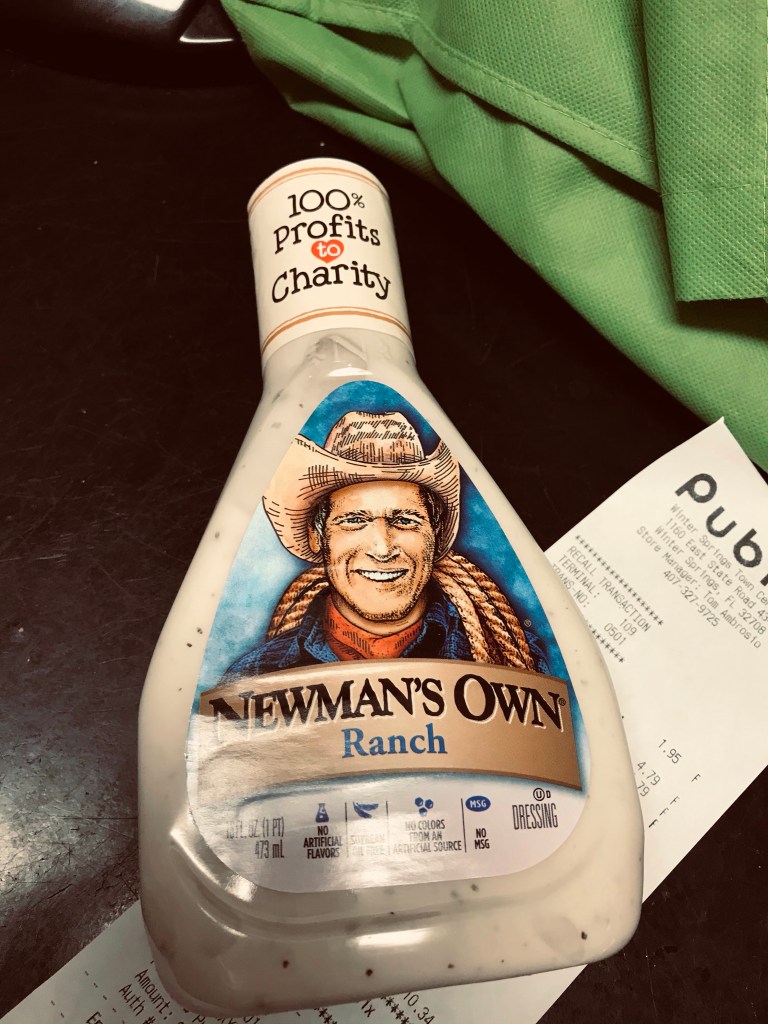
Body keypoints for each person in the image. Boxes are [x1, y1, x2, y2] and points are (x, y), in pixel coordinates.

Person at [224, 410, 546, 679]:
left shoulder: (517, 662)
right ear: (317, 536)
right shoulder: (256, 676)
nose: (382, 548)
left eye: (405, 520)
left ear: (434, 534)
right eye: (354, 520)